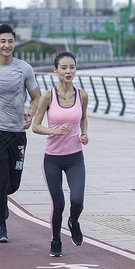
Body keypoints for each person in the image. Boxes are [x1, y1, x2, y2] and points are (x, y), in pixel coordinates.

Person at [0, 23, 40, 242]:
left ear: (14, 44)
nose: (7, 45)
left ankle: (3, 201)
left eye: (10, 41)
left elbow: (36, 97)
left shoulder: (24, 69)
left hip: (18, 133)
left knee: (13, 185)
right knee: (2, 181)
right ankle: (1, 227)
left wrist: (30, 115)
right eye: (2, 41)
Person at [32, 51, 89, 257]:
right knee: (59, 203)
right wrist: (53, 130)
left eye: (72, 67)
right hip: (53, 159)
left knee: (77, 200)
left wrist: (84, 134)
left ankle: (73, 221)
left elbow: (83, 118)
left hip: (75, 157)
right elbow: (36, 126)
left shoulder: (82, 95)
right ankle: (56, 240)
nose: (68, 71)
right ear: (55, 70)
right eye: (63, 67)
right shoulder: (48, 96)